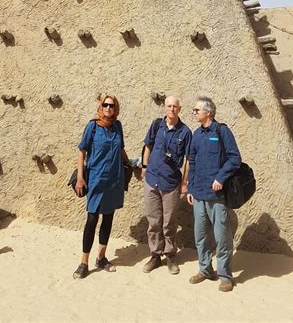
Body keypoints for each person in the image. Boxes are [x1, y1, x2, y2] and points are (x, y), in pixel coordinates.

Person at [187, 96, 241, 292]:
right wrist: (190, 189)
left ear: (208, 112)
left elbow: (235, 158)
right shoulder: (196, 135)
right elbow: (191, 163)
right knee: (200, 236)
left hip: (217, 197)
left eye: (196, 110)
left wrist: (220, 178)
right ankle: (205, 269)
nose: (194, 113)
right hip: (199, 195)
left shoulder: (222, 131)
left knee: (221, 237)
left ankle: (225, 276)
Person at [73, 94, 130, 279]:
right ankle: (84, 262)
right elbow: (82, 150)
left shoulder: (117, 126)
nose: (108, 108)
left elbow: (121, 148)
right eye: (105, 105)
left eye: (111, 106)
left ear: (116, 109)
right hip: (96, 178)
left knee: (108, 218)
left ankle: (101, 257)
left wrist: (131, 164)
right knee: (92, 219)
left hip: (114, 179)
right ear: (101, 107)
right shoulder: (93, 126)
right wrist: (80, 178)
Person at [141, 95, 192, 275]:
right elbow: (147, 146)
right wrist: (145, 167)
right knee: (153, 221)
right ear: (164, 108)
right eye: (169, 106)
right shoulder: (157, 126)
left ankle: (170, 255)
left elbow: (188, 160)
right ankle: (155, 255)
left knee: (169, 222)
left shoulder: (185, 132)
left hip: (171, 183)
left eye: (174, 106)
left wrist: (184, 182)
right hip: (152, 180)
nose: (171, 109)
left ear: (179, 109)